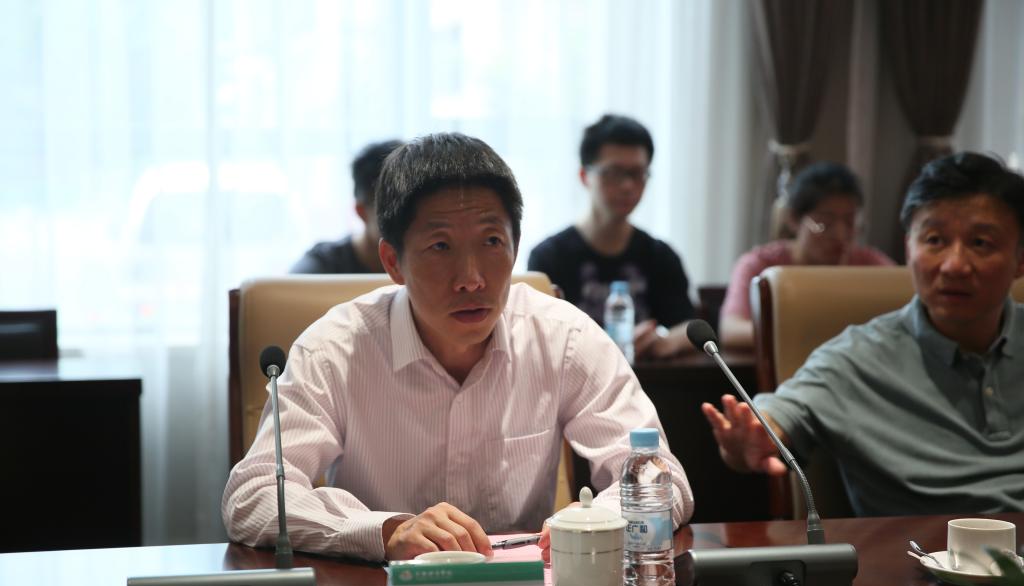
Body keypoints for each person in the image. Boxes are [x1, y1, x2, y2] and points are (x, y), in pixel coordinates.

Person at [224, 132, 694, 562]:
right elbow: (254, 495)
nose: (471, 279)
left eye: (491, 241)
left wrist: (597, 520)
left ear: (515, 246)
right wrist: (385, 531)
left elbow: (664, 479)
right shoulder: (335, 350)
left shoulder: (564, 337)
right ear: (393, 262)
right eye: (441, 247)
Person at [702, 152, 1024, 516]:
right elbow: (781, 413)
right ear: (909, 248)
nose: (954, 265)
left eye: (980, 243)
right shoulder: (858, 357)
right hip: (917, 548)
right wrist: (752, 437)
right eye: (935, 240)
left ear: (1020, 259)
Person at [528, 114, 696, 359]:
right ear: (584, 176)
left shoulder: (660, 256)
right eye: (614, 173)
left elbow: (690, 327)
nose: (627, 186)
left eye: (637, 173)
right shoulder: (549, 257)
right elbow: (537, 338)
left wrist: (665, 341)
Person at [719, 162, 894, 348]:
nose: (840, 235)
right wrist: (807, 337)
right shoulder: (760, 265)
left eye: (849, 223)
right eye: (824, 224)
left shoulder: (869, 264)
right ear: (794, 219)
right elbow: (731, 331)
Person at [290, 139, 403, 274]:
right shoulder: (323, 265)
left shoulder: (421, 260)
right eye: (396, 212)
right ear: (361, 212)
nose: (407, 222)